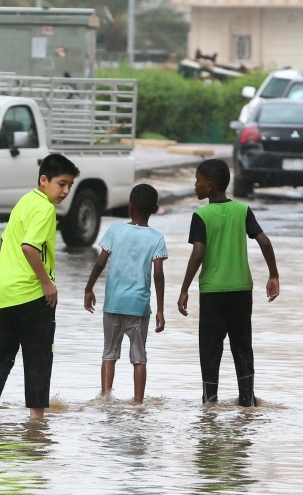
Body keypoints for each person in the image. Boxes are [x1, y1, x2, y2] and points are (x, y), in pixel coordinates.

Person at [0, 154, 80, 420]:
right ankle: (36, 423)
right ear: (44, 180)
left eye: (70, 185)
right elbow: (29, 247)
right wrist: (47, 284)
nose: (66, 191)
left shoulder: (23, 202)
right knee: (38, 361)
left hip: (5, 295)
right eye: (61, 184)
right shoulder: (45, 208)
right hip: (32, 295)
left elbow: (9, 244)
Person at [177, 159, 280, 407]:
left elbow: (198, 253)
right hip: (242, 291)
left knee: (210, 351)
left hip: (213, 293)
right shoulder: (243, 211)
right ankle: (247, 402)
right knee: (242, 347)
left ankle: (209, 404)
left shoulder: (201, 215)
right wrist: (273, 275)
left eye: (198, 180)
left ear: (209, 185)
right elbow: (264, 242)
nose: (195, 185)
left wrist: (184, 289)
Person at [84, 184, 168, 403]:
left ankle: (105, 398)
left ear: (130, 206)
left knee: (109, 353)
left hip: (113, 303)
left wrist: (88, 288)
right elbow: (158, 275)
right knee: (139, 358)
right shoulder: (156, 238)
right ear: (155, 209)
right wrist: (160, 309)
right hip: (139, 307)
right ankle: (139, 404)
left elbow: (100, 263)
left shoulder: (115, 230)